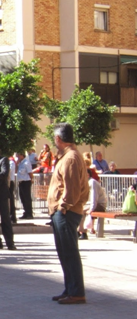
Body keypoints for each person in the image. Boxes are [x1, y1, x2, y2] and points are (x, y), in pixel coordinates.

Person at [48, 123, 89, 304]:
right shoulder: (68, 156)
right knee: (65, 253)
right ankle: (70, 288)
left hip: (66, 212)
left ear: (58, 139)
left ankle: (77, 292)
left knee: (70, 252)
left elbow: (72, 189)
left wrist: (62, 207)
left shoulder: (71, 158)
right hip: (64, 211)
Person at [78, 169, 107, 240]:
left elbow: (94, 197)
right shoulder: (85, 183)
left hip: (100, 204)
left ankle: (82, 232)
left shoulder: (92, 182)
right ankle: (79, 231)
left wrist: (91, 209)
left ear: (87, 175)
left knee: (82, 211)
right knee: (78, 209)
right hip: (90, 204)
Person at [15, 152, 34, 219]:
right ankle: (25, 212)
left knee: (27, 198)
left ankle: (29, 213)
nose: (18, 157)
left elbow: (30, 172)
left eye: (19, 155)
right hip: (21, 182)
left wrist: (32, 179)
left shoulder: (26, 162)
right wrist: (17, 163)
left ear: (22, 155)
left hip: (26, 182)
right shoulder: (20, 163)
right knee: (22, 198)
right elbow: (16, 171)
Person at [8, 155, 17, 223]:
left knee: (11, 199)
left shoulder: (11, 162)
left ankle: (12, 216)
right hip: (6, 182)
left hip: (10, 182)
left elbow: (8, 171)